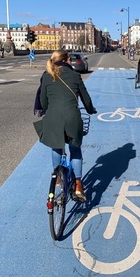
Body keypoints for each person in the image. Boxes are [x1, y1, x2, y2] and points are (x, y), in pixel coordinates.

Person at [38, 50, 96, 201]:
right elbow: (86, 99)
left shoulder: (46, 75)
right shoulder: (75, 75)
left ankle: (57, 178)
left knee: (56, 146)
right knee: (75, 150)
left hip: (53, 119)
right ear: (67, 60)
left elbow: (43, 103)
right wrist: (91, 110)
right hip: (72, 119)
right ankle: (78, 185)